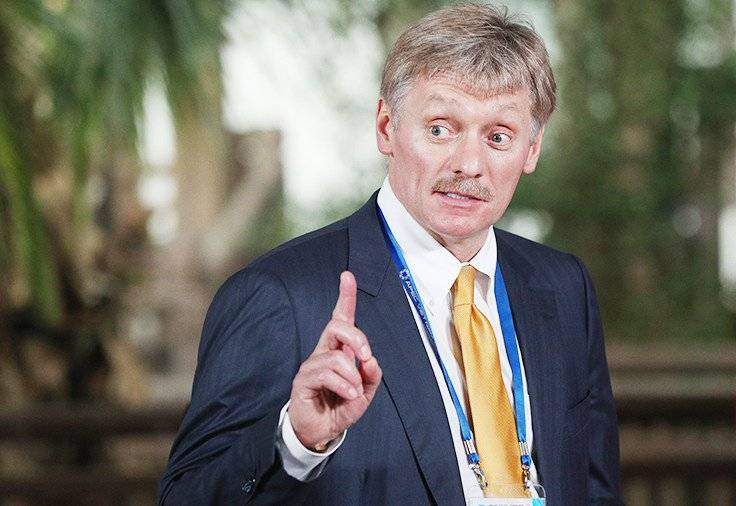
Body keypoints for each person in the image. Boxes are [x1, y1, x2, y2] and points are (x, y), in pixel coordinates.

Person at [158, 3, 620, 504]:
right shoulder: (280, 297)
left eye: (498, 137)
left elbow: (595, 488)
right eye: (440, 128)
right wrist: (296, 443)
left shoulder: (562, 286)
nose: (469, 164)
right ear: (386, 127)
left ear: (531, 149)